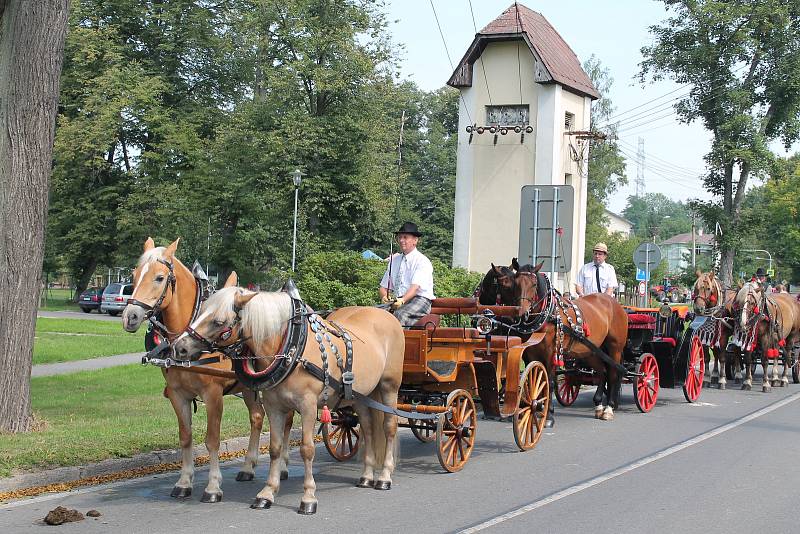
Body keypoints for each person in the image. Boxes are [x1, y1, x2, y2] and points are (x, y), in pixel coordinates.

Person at [379, 222, 435, 326]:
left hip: (420, 300)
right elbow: (383, 287)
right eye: (399, 237)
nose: (401, 240)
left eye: (405, 237)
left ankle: (399, 342)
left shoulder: (422, 261)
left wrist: (403, 300)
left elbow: (415, 288)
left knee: (399, 315)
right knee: (375, 313)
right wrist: (384, 297)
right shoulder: (394, 261)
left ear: (415, 240)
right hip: (398, 300)